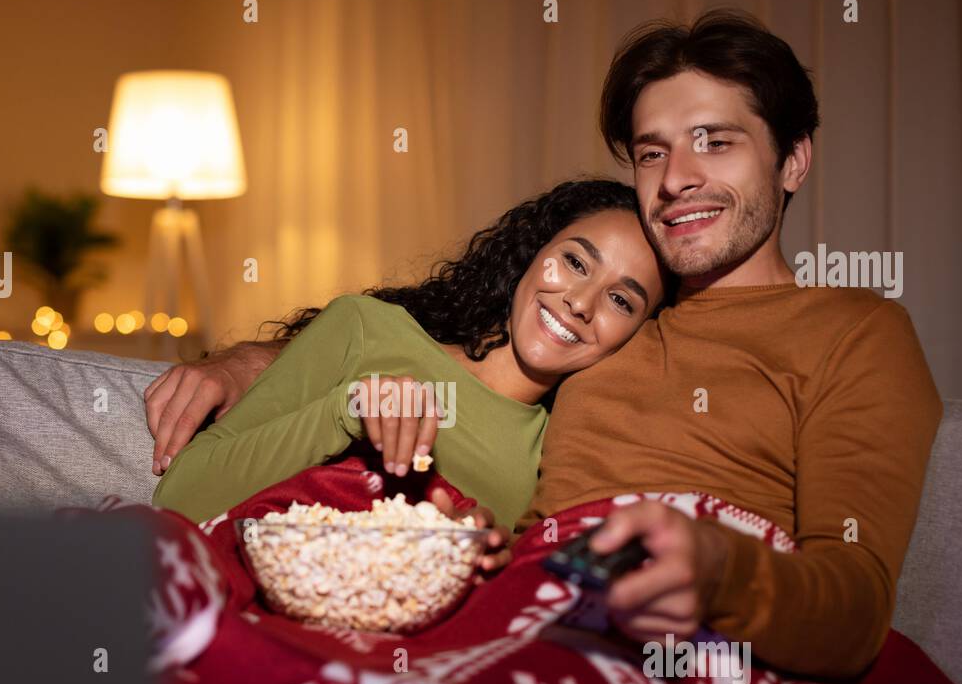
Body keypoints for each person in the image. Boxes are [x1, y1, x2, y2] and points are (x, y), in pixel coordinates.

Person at [145, 10, 942, 682]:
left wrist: (717, 569)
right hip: (522, 613)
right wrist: (250, 361)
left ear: (793, 160)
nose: (677, 178)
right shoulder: (610, 336)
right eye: (654, 151)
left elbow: (854, 604)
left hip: (675, 641)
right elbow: (428, 361)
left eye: (715, 141)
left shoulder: (856, 332)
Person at [150, 177, 665, 530]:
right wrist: (347, 411)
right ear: (533, 253)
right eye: (575, 262)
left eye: (620, 300)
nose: (580, 302)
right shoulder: (367, 329)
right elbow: (181, 497)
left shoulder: (561, 453)